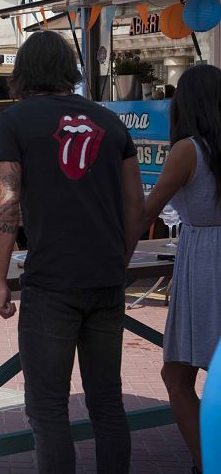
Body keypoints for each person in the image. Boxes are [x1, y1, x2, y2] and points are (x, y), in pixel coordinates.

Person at [0, 31, 144, 473]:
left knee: (49, 409)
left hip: (52, 282)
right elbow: (137, 206)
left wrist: (0, 280)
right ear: (68, 71)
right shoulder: (110, 122)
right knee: (107, 404)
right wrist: (120, 257)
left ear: (24, 72)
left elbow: (6, 202)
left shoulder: (13, 122)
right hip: (106, 280)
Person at [136, 64, 221, 473]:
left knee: (178, 374)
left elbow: (146, 211)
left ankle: (208, 462)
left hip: (206, 261)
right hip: (204, 253)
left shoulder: (188, 149)